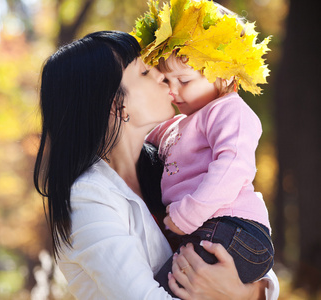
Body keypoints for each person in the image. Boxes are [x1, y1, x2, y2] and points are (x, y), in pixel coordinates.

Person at [34, 30, 279, 299]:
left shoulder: (167, 165)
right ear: (117, 104)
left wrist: (246, 295)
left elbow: (244, 255)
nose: (162, 76)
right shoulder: (89, 198)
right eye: (144, 73)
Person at [131, 0, 274, 291]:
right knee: (174, 282)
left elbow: (234, 167)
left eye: (183, 80)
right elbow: (137, 136)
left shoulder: (229, 111)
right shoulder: (179, 124)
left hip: (236, 229)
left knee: (167, 286)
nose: (172, 91)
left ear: (222, 76)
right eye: (166, 80)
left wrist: (188, 214)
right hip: (210, 228)